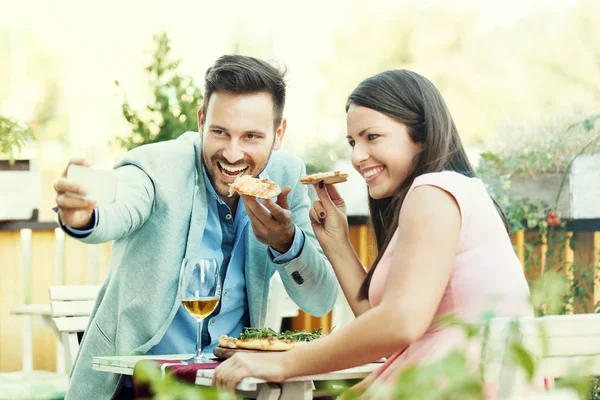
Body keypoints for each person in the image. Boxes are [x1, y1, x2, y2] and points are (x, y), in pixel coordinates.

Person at [212, 69, 533, 399]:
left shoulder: (433, 192)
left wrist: (282, 364)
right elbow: (380, 321)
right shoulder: (455, 190)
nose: (357, 156)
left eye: (372, 137)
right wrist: (336, 243)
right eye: (353, 142)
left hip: (451, 385)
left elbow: (400, 324)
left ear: (420, 133)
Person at [53, 55, 338, 399]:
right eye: (220, 132)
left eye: (251, 136)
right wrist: (85, 216)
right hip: (137, 385)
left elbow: (320, 300)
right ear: (202, 121)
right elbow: (122, 201)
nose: (233, 154)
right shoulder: (159, 165)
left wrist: (287, 244)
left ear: (278, 134)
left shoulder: (285, 176)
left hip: (230, 387)